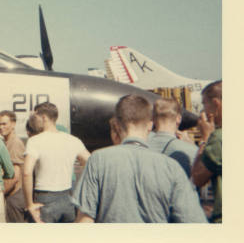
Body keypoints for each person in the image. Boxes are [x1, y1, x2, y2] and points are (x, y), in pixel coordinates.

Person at [72, 95, 207, 223]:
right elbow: (193, 222)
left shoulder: (98, 160)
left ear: (116, 125)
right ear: (150, 125)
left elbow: (85, 221)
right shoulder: (172, 167)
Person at [23, 102, 90, 223]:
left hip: (44, 198)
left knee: (45, 241)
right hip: (68, 197)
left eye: (36, 116)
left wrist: (30, 204)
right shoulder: (73, 140)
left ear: (44, 118)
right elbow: (90, 163)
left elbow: (27, 172)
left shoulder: (34, 141)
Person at [191, 80, 222, 223]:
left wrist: (205, 138)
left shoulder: (219, 138)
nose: (203, 111)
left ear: (216, 104)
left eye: (205, 104)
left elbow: (198, 177)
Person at [148, 98, 198, 177]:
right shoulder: (191, 150)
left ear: (153, 119)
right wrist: (192, 145)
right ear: (178, 118)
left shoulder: (140, 145)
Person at [0, 110, 26, 222]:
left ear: (13, 124)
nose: (1, 127)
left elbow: (15, 177)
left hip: (15, 196)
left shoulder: (15, 143)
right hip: (11, 196)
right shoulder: (6, 142)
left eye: (4, 124)